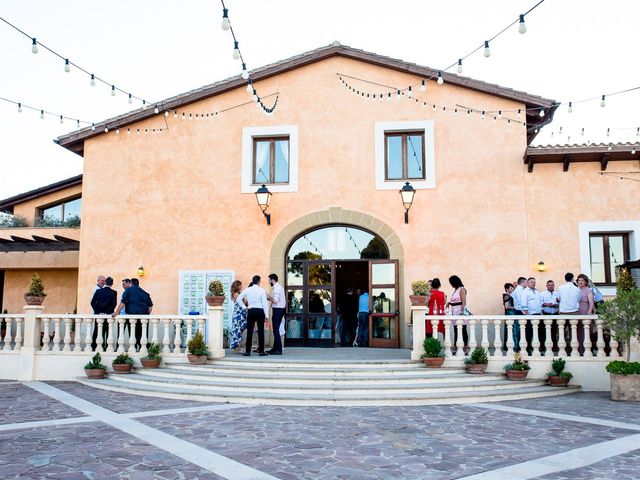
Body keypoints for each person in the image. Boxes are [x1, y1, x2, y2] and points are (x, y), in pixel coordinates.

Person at [113, 278, 153, 350]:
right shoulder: (145, 293)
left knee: (133, 334)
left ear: (131, 283)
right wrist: (147, 314)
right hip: (144, 318)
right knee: (142, 335)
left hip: (132, 317)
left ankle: (133, 349)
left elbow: (123, 302)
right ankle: (142, 349)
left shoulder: (128, 290)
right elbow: (150, 307)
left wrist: (116, 312)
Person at [236, 275, 269, 356]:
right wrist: (267, 315)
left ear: (253, 281)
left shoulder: (248, 290)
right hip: (260, 311)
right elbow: (265, 303)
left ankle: (247, 351)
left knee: (249, 331)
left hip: (251, 311)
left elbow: (238, 299)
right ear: (259, 281)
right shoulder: (262, 290)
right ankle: (261, 351)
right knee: (261, 331)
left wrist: (244, 307)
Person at [90, 276, 117, 349]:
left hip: (98, 315)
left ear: (105, 282)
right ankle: (107, 347)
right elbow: (114, 304)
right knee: (107, 331)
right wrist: (108, 312)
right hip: (109, 315)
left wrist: (98, 311)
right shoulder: (113, 292)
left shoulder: (98, 291)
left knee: (98, 330)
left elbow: (92, 303)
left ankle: (96, 347)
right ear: (112, 284)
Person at [521, 277, 542, 354]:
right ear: (527, 283)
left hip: (538, 315)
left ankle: (538, 348)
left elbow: (540, 302)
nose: (533, 283)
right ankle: (528, 348)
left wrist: (541, 312)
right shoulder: (525, 292)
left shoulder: (537, 291)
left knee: (538, 332)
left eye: (534, 282)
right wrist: (527, 316)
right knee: (529, 333)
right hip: (530, 315)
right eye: (531, 282)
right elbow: (523, 304)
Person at [446, 275, 468, 351]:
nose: (451, 284)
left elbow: (463, 302)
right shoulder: (456, 289)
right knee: (456, 329)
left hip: (460, 311)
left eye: (451, 282)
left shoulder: (461, 289)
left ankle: (465, 346)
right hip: (454, 311)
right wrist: (449, 303)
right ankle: (455, 345)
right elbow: (455, 300)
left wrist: (461, 312)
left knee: (463, 329)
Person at [267, 273, 285, 355]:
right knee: (275, 329)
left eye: (269, 280)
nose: (268, 281)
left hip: (278, 310)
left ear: (272, 280)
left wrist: (268, 296)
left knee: (276, 330)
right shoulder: (277, 287)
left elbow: (275, 300)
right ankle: (274, 349)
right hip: (278, 309)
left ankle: (279, 350)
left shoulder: (277, 288)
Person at [577, 273, 596, 355]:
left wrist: (589, 312)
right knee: (578, 331)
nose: (580, 282)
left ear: (585, 282)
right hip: (577, 311)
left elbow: (591, 302)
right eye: (579, 280)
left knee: (586, 331)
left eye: (582, 280)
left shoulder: (588, 290)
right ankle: (579, 350)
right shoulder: (576, 289)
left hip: (585, 310)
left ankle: (588, 350)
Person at [540, 279, 559, 352]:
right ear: (546, 286)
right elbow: (540, 303)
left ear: (554, 286)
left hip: (555, 314)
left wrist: (557, 305)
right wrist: (547, 304)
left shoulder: (557, 293)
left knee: (554, 331)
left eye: (552, 285)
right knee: (544, 331)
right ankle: (543, 346)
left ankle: (554, 347)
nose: (551, 287)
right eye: (549, 285)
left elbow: (560, 302)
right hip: (545, 314)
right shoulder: (542, 294)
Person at [229, 280, 247, 353]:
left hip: (241, 314)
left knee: (240, 330)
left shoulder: (238, 293)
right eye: (240, 285)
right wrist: (245, 299)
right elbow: (242, 303)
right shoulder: (236, 294)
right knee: (237, 330)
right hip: (238, 314)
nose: (241, 286)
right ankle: (236, 347)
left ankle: (237, 346)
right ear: (237, 286)